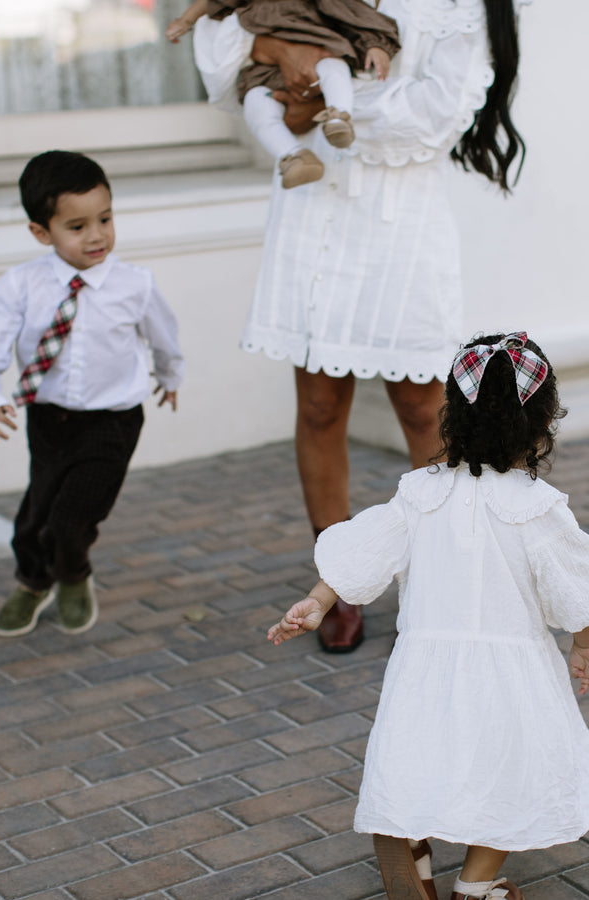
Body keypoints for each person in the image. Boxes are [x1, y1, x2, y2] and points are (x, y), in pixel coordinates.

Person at [193, 0, 531, 652]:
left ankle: (448, 581)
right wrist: (284, 62)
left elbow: (435, 118)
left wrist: (311, 91)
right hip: (314, 200)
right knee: (319, 406)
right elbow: (219, 63)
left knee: (420, 407)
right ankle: (340, 579)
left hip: (401, 219)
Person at [268, 332, 589, 900]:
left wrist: (316, 602)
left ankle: (409, 843)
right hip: (510, 674)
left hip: (425, 668)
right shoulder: (538, 510)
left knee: (420, 757)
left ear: (452, 416)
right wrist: (584, 646)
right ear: (541, 427)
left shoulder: (419, 494)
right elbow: (577, 592)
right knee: (508, 775)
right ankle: (474, 885)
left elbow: (366, 550)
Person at [0, 150, 184, 637]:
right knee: (35, 516)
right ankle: (33, 582)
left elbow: (164, 336)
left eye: (105, 218)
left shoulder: (133, 284)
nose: (96, 235)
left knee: (71, 518)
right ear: (41, 232)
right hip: (48, 418)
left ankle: (73, 577)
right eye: (77, 227)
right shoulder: (21, 285)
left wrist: (170, 376)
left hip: (112, 422)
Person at [166, 0, 400, 188]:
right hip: (265, 74)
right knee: (255, 102)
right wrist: (184, 21)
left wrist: (375, 44)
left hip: (318, 54)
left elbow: (355, 16)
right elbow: (210, 4)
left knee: (333, 68)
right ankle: (293, 155)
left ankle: (339, 116)